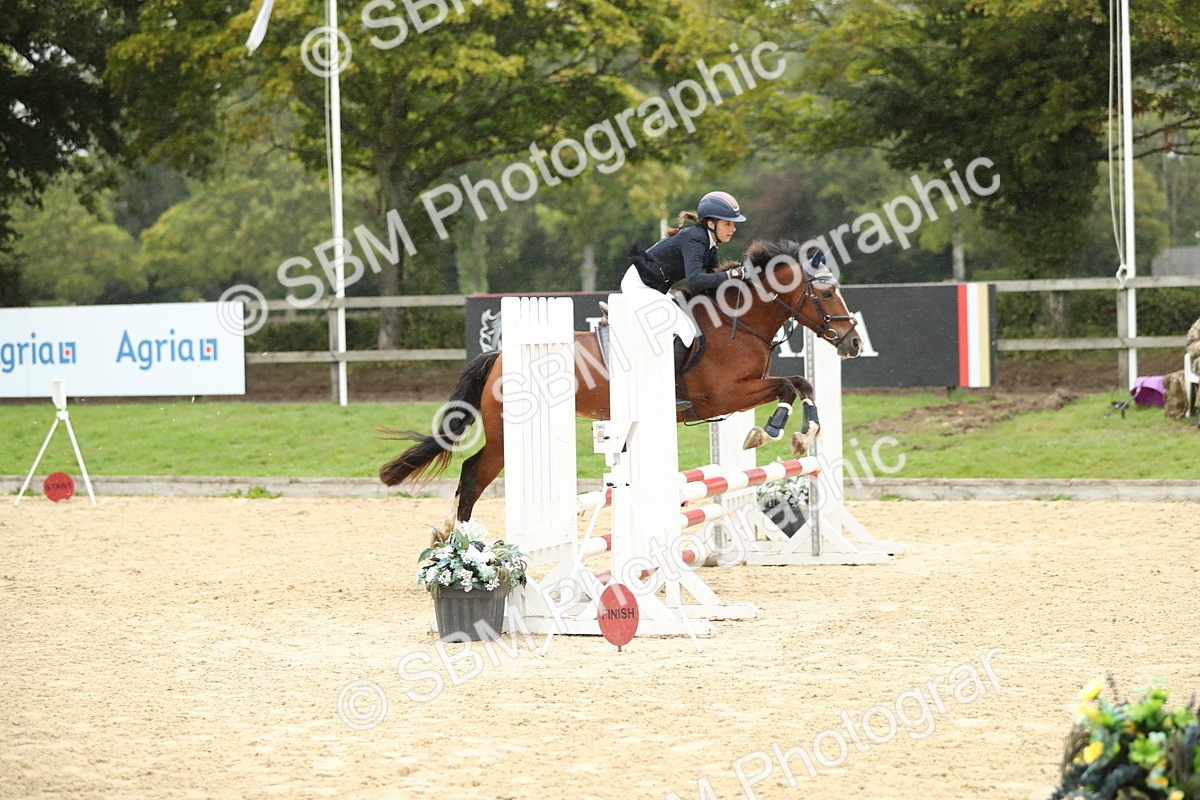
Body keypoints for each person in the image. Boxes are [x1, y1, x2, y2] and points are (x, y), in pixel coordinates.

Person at [624, 190, 748, 410]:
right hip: (640, 287)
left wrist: (742, 273)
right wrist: (732, 275)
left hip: (655, 288)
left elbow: (714, 275)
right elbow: (696, 281)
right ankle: (665, 389)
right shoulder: (695, 239)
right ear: (711, 223)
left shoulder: (709, 242)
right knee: (686, 331)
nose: (734, 228)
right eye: (728, 224)